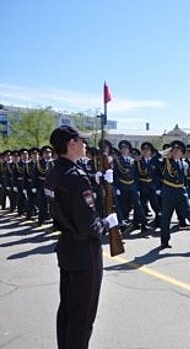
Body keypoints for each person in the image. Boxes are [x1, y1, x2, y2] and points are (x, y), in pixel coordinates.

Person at [45, 125, 118, 349]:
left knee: (68, 309)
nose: (85, 144)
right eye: (81, 140)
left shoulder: (54, 171)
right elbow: (90, 226)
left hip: (66, 246)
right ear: (71, 144)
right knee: (83, 316)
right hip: (85, 251)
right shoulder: (76, 178)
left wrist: (97, 178)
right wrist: (108, 222)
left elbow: (68, 201)